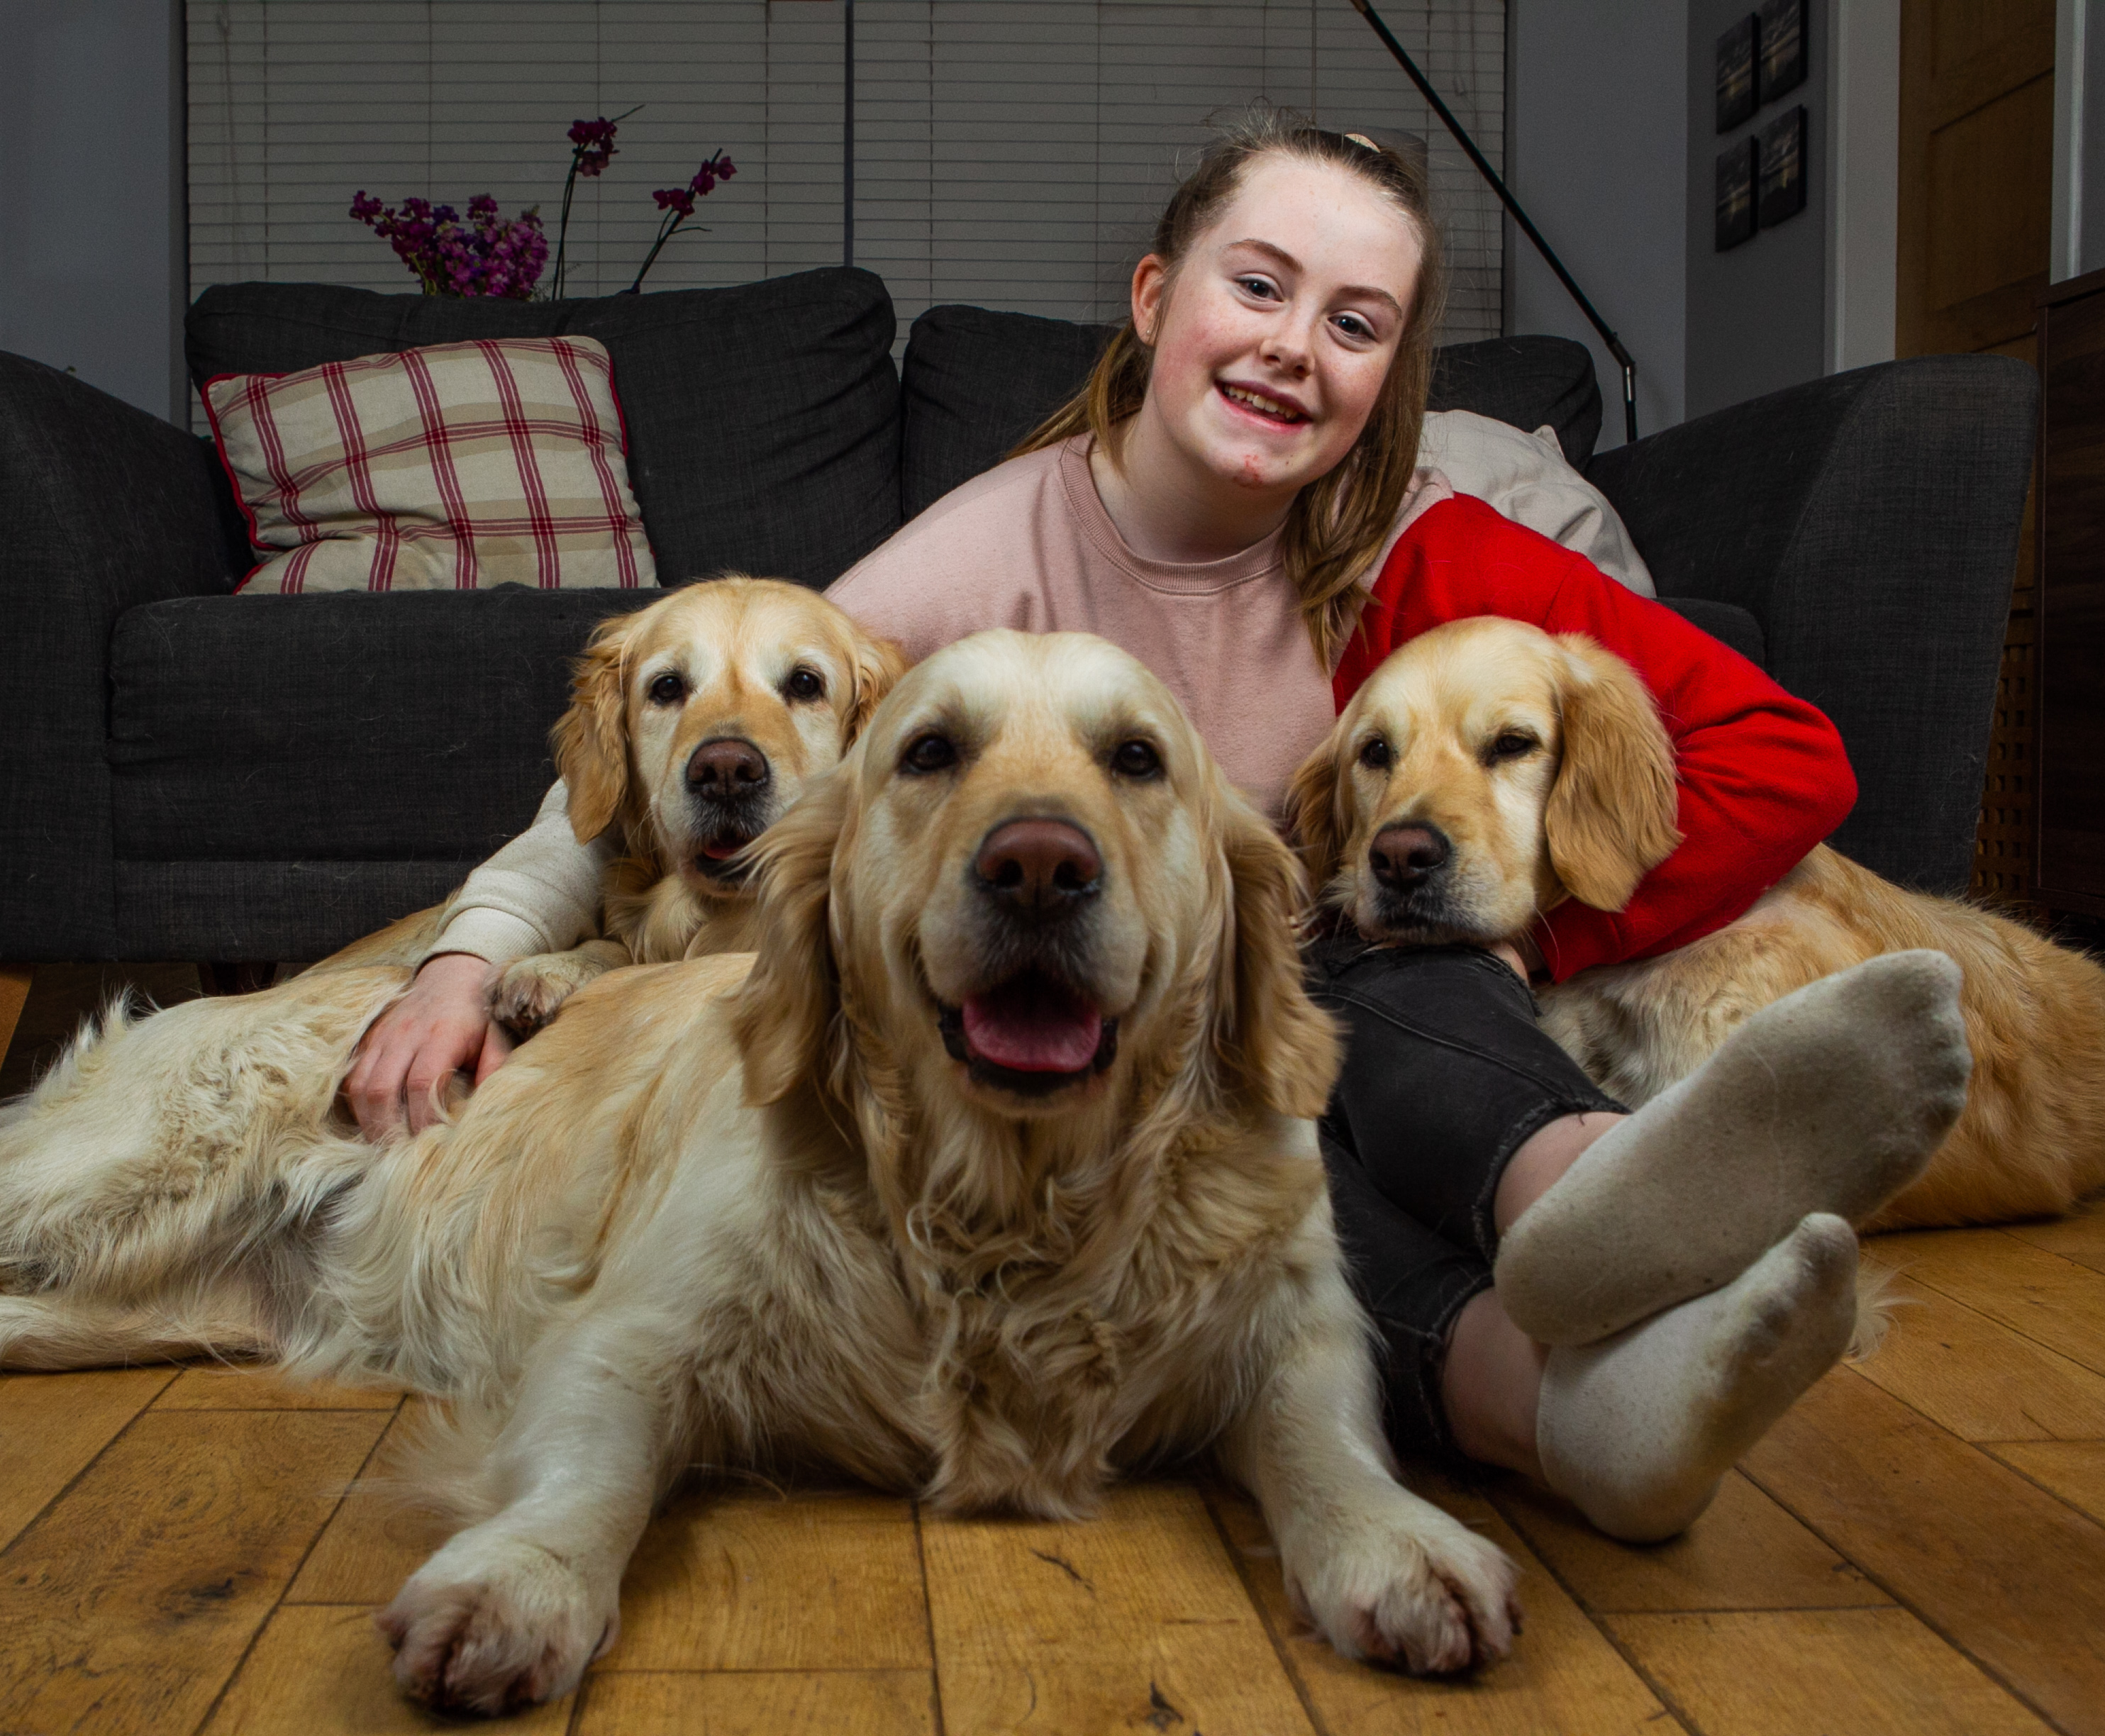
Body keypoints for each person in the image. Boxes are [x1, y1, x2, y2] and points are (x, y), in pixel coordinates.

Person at [341, 111, 1968, 1542]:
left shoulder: (1435, 553)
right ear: (1154, 300)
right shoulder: (986, 561)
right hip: (1157, 1061)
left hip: (1362, 992)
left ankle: (1598, 1193)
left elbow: (1783, 756)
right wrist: (467, 956)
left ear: (1392, 374)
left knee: (1388, 990)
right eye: (1256, 287)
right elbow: (733, 747)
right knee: (1280, 1153)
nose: (1291, 349)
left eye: (1356, 323)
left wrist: (1522, 914)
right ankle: (1564, 1413)